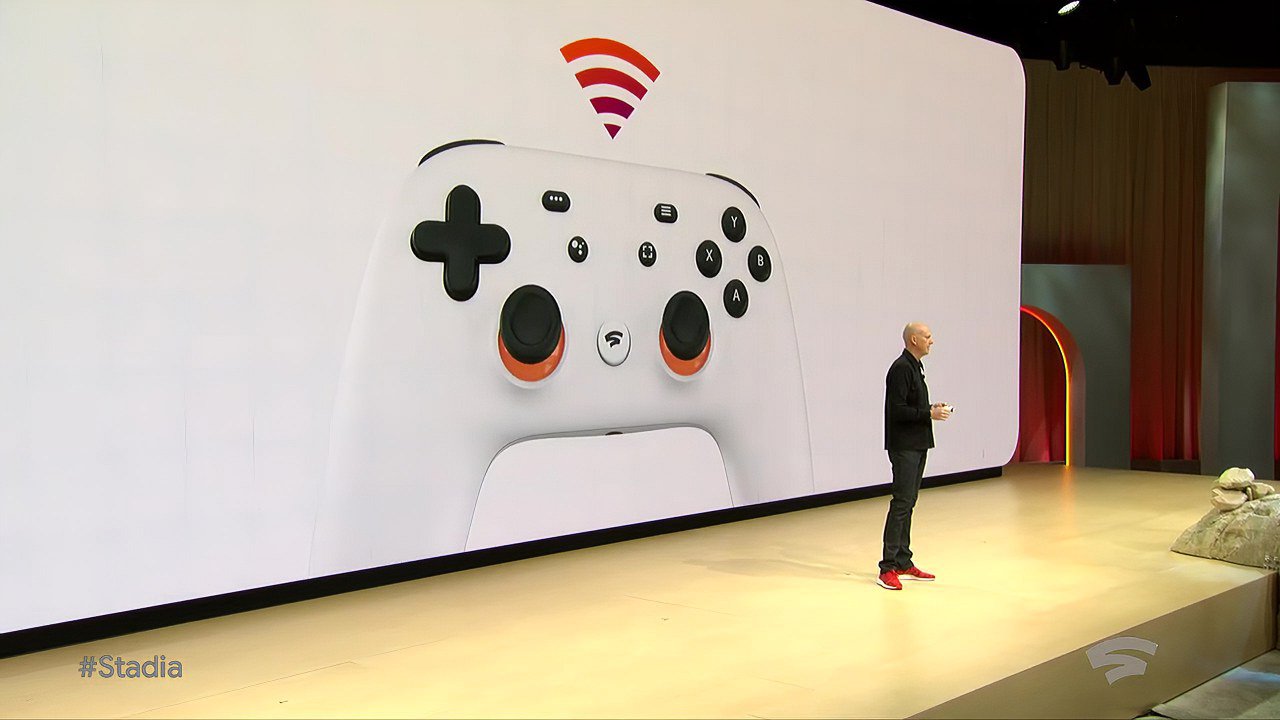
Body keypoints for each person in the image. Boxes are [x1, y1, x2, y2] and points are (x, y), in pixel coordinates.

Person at [877, 322, 950, 591]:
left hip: (917, 444)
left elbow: (911, 406)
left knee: (909, 502)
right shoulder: (901, 368)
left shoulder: (915, 367)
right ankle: (887, 567)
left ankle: (903, 561)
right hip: (905, 446)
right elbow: (897, 410)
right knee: (901, 503)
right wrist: (928, 413)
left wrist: (929, 407)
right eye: (927, 336)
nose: (932, 340)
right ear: (914, 340)